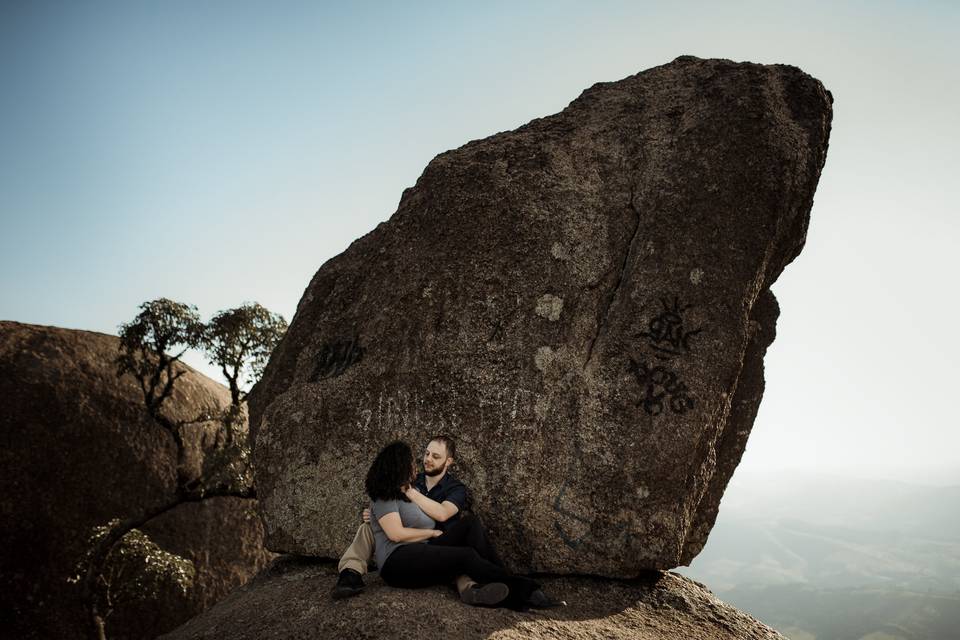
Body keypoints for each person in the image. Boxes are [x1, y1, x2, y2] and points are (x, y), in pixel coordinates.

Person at [338, 439, 561, 610]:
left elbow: (443, 514)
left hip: (431, 545)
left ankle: (505, 589)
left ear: (448, 461)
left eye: (435, 456)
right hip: (404, 555)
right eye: (424, 455)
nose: (425, 461)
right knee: (465, 557)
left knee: (470, 527)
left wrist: (410, 493)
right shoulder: (394, 490)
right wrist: (378, 513)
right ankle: (523, 589)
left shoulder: (450, 488)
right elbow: (394, 530)